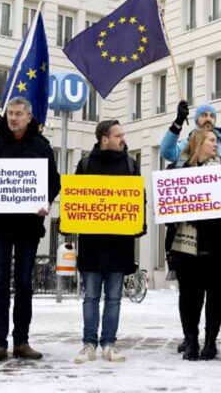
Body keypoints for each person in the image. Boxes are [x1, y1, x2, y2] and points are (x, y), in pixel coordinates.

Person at [0, 97, 60, 364]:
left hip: (28, 227)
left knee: (25, 284)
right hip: (0, 226)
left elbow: (54, 181)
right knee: (1, 282)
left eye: (18, 114)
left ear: (29, 117)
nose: (13, 118)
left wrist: (47, 201)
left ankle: (22, 341)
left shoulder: (42, 147)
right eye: (10, 114)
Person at [161, 101, 221, 356]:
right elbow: (167, 151)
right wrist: (178, 121)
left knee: (219, 290)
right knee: (190, 292)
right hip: (187, 238)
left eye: (213, 115)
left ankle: (214, 339)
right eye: (205, 116)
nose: (209, 119)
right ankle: (192, 339)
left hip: (219, 238)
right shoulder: (181, 158)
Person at [72, 120, 141, 364]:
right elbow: (76, 200)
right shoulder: (85, 164)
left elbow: (138, 200)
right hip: (92, 244)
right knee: (91, 296)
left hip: (119, 245)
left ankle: (108, 343)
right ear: (104, 139)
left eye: (122, 135)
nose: (123, 138)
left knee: (114, 297)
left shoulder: (131, 165)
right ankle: (89, 343)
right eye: (118, 135)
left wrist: (138, 223)